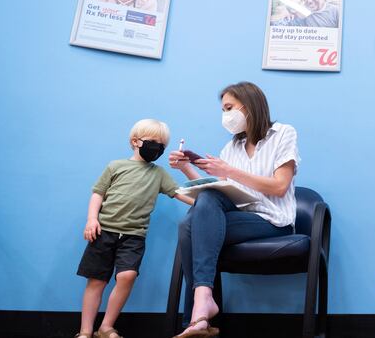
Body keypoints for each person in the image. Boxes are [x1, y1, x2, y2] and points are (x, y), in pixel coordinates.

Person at [169, 82, 300, 338]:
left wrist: (228, 171)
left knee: (189, 226)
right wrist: (186, 168)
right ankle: (202, 309)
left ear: (249, 105)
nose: (225, 116)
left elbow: (280, 186)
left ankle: (197, 317)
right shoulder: (231, 148)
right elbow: (215, 193)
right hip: (237, 215)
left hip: (272, 220)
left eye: (229, 108)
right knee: (195, 214)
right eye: (223, 110)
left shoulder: (283, 133)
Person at [75, 119, 194, 338]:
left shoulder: (158, 174)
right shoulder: (115, 166)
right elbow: (98, 193)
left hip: (133, 237)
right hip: (103, 232)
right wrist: (92, 219)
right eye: (153, 142)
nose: (157, 148)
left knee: (127, 275)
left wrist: (206, 202)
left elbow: (179, 193)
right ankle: (85, 331)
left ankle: (106, 327)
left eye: (162, 145)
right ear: (135, 141)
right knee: (97, 281)